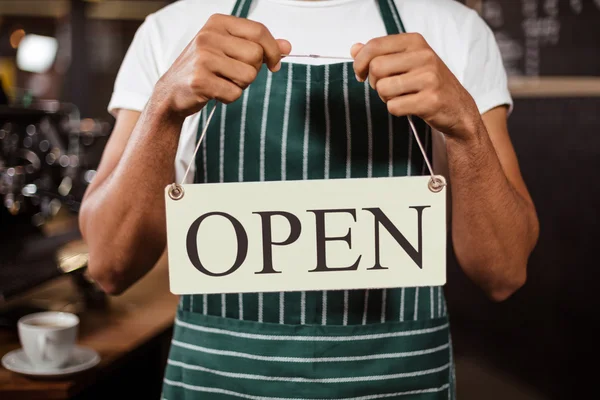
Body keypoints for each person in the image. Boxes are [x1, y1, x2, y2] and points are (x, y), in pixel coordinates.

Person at [79, 0, 539, 398]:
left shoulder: (455, 30)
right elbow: (108, 266)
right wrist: (162, 107)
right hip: (221, 383)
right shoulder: (170, 30)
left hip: (398, 383)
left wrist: (465, 125)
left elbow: (503, 272)